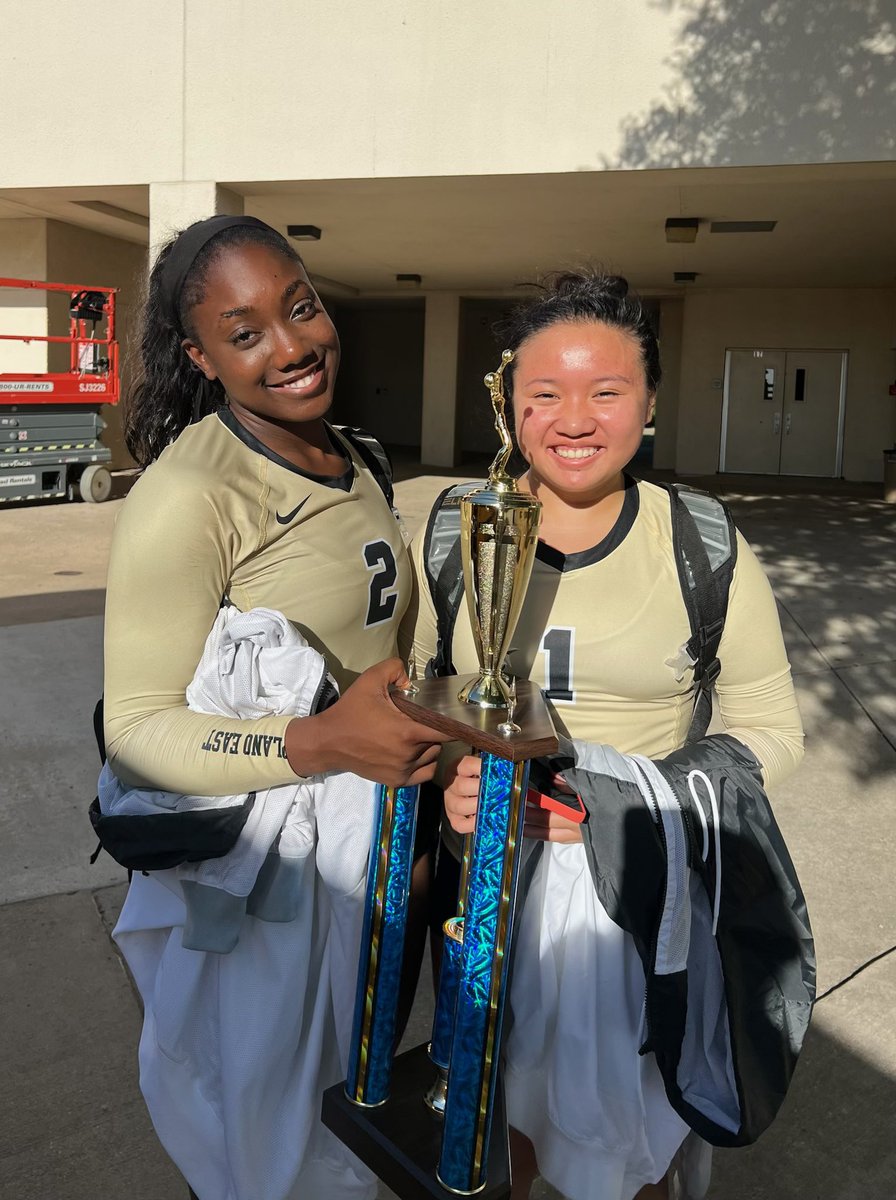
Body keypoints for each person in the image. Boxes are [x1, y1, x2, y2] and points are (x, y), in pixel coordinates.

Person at [408, 271, 805, 1200]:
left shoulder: (700, 542)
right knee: (496, 1148)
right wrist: (450, 778)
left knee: (636, 1162)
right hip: (493, 907)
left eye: (606, 391)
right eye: (543, 394)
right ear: (509, 404)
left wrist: (626, 803)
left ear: (651, 403)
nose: (573, 419)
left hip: (644, 915)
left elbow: (772, 729)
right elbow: (422, 700)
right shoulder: (456, 530)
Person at [102, 214, 449, 1200]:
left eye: (299, 306)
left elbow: (384, 649)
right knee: (271, 1151)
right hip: (273, 892)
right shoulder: (189, 494)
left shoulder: (356, 455)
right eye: (244, 330)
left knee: (359, 1136)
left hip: (384, 870)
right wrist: (317, 739)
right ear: (200, 355)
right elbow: (135, 729)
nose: (292, 346)